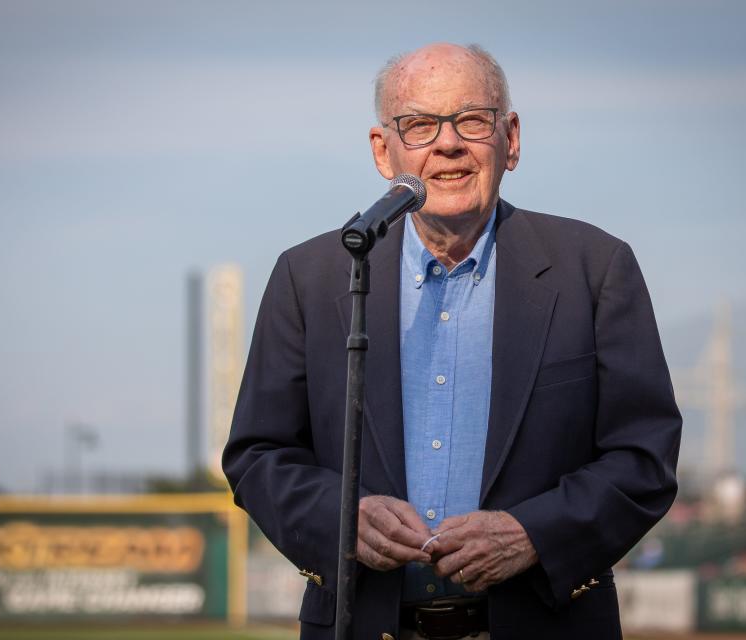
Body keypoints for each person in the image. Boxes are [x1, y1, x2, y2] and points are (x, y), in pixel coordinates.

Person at [223, 42, 681, 640]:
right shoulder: (310, 278)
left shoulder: (595, 270)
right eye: (417, 125)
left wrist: (532, 535)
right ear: (383, 152)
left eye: (471, 119)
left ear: (510, 139)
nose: (447, 144)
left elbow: (644, 458)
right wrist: (342, 520)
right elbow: (258, 454)